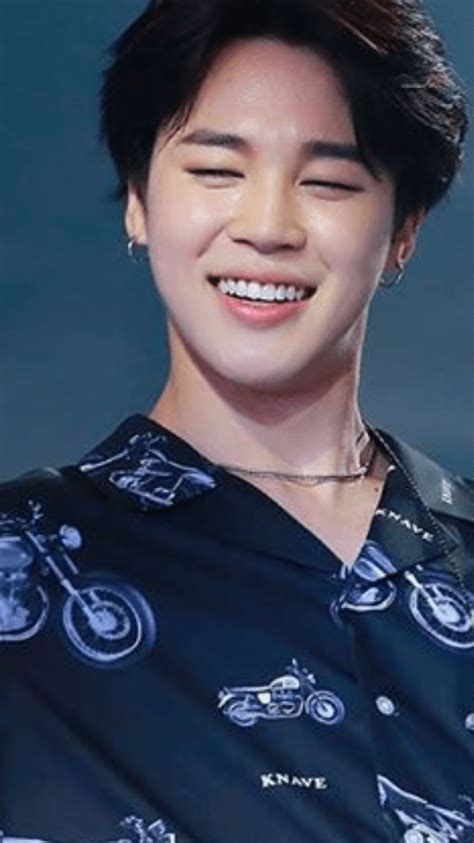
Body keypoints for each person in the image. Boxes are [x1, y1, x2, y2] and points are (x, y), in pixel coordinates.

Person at [1, 0, 473, 841]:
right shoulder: (23, 563)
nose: (266, 227)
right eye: (218, 170)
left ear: (403, 228)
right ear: (138, 198)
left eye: (328, 182)